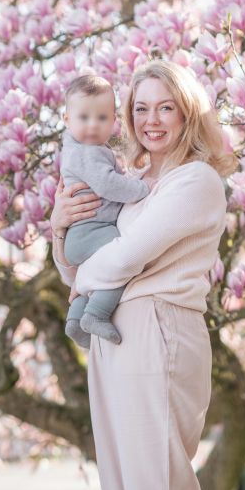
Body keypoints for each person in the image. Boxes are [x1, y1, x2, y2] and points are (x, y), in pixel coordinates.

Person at [50, 59, 237, 490]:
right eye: (140, 108)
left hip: (159, 327)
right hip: (114, 335)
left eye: (165, 107)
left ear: (187, 113)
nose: (151, 120)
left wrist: (84, 280)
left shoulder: (194, 180)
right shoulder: (128, 180)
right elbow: (74, 270)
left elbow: (129, 255)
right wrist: (59, 226)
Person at [59, 73, 151, 348]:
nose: (92, 125)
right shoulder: (86, 152)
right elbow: (107, 184)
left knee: (103, 272)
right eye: (83, 117)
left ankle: (76, 318)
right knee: (122, 260)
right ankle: (96, 314)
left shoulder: (83, 149)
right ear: (67, 120)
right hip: (91, 231)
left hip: (83, 235)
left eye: (101, 118)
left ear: (113, 121)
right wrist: (141, 189)